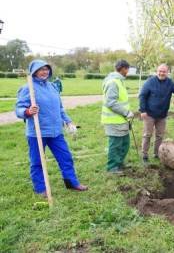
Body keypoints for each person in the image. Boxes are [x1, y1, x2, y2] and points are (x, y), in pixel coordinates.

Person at [15, 60, 88, 197]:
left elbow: (60, 108)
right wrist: (28, 111)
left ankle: (72, 183)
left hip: (56, 132)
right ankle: (41, 188)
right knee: (37, 162)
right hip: (37, 133)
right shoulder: (28, 88)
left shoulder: (53, 87)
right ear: (34, 71)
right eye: (41, 69)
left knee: (66, 157)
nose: (45, 71)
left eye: (46, 69)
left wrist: (68, 121)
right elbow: (18, 109)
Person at [139, 64, 174, 163]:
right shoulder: (150, 82)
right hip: (149, 113)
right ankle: (144, 154)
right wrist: (143, 110)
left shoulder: (169, 83)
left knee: (159, 135)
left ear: (167, 72)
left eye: (164, 71)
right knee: (147, 134)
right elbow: (142, 96)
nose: (161, 73)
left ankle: (156, 153)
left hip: (162, 114)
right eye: (160, 71)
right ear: (157, 71)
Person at [101, 60, 135, 173]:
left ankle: (119, 163)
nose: (128, 72)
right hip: (114, 120)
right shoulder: (113, 82)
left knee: (124, 143)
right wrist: (126, 112)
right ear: (123, 68)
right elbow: (111, 102)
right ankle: (112, 167)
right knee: (115, 144)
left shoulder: (119, 81)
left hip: (121, 120)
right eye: (127, 69)